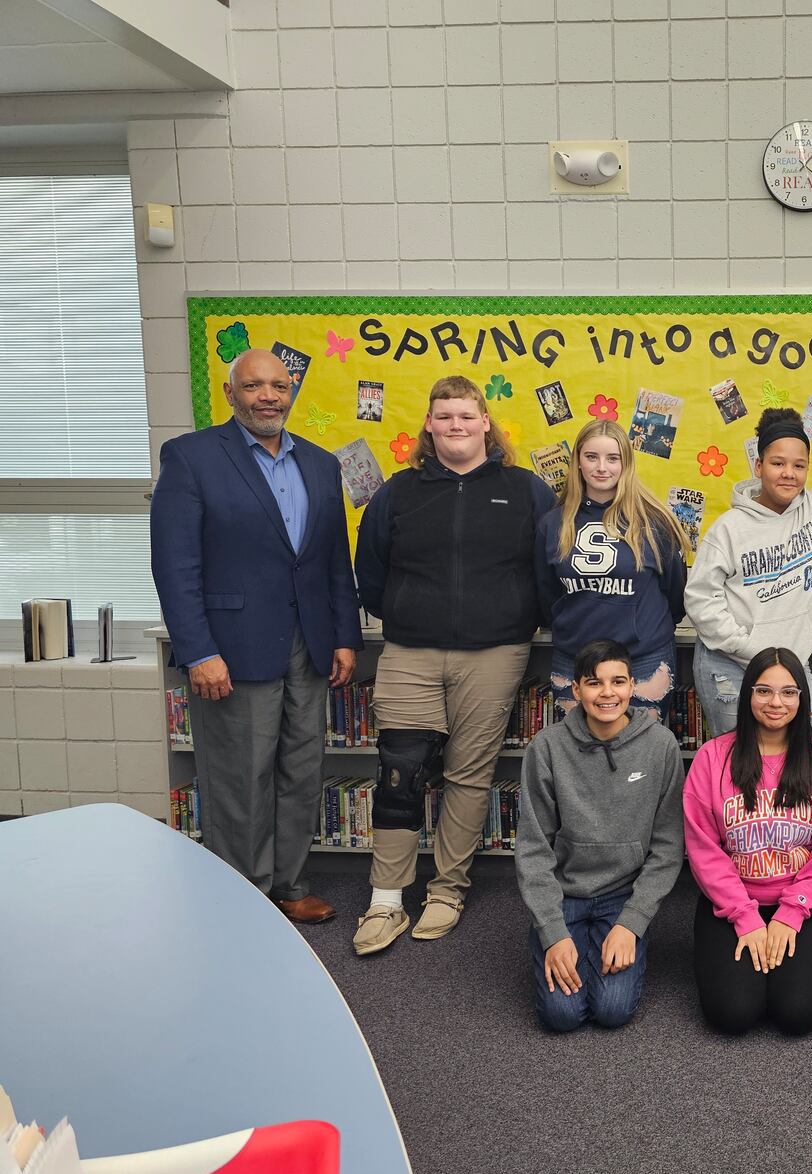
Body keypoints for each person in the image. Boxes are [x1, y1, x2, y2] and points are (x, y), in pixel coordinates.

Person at [150, 348, 362, 923]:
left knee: (302, 769)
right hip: (232, 650)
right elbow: (175, 566)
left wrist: (344, 634)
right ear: (230, 393)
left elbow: (332, 561)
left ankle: (290, 885)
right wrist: (198, 651)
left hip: (309, 644)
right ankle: (244, 899)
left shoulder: (320, 464)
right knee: (242, 777)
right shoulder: (191, 458)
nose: (268, 396)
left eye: (278, 385)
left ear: (292, 392)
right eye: (253, 386)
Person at [350, 376, 556, 955]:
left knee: (469, 773)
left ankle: (447, 891)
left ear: (486, 422)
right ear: (429, 425)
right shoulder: (398, 492)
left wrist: (521, 619)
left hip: (495, 653)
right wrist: (404, 612)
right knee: (400, 771)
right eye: (444, 417)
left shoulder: (526, 490)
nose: (456, 425)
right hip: (411, 651)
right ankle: (385, 901)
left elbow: (548, 566)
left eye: (466, 415)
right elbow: (370, 571)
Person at [684, 406, 812, 744]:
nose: (788, 473)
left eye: (799, 465)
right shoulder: (729, 529)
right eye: (778, 464)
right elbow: (700, 598)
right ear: (759, 466)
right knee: (742, 763)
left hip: (790, 664)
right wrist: (747, 646)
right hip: (730, 664)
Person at [515, 639, 686, 1032]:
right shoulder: (546, 748)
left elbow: (667, 846)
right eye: (594, 683)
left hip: (623, 896)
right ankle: (558, 939)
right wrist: (553, 932)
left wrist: (632, 922)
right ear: (576, 690)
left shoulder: (660, 745)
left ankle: (619, 939)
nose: (607, 693)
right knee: (561, 1016)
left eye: (618, 682)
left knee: (613, 1010)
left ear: (632, 686)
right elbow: (533, 849)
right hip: (565, 895)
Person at [682, 647, 812, 1035]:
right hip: (732, 902)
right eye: (764, 691)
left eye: (788, 692)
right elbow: (703, 850)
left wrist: (790, 915)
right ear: (748, 696)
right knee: (733, 1014)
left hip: (804, 903)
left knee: (800, 1014)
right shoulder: (712, 759)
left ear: (801, 699)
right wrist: (745, 917)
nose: (776, 702)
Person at [534, 419, 689, 716]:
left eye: (613, 458)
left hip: (644, 658)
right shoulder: (553, 524)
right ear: (578, 461)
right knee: (579, 754)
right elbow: (547, 596)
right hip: (575, 658)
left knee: (642, 753)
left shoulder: (656, 522)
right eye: (591, 457)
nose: (601, 467)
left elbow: (675, 595)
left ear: (627, 464)